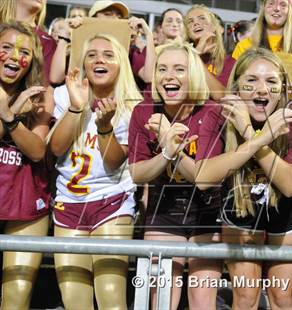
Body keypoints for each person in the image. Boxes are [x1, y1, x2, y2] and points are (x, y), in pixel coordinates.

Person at [195, 47, 292, 309]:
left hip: (287, 210)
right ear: (236, 87)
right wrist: (261, 136)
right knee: (246, 297)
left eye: (271, 81)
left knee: (281, 296)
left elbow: (291, 185)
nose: (262, 89)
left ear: (282, 90)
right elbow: (203, 178)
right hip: (241, 205)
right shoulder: (218, 113)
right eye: (252, 81)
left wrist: (249, 132)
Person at [128, 41, 223, 310]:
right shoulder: (143, 111)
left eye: (179, 69)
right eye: (162, 69)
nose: (169, 76)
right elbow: (137, 173)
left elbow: (203, 179)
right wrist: (166, 152)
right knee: (162, 301)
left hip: (207, 211)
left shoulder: (211, 112)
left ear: (193, 75)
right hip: (164, 210)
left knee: (203, 300)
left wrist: (170, 144)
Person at [48, 33, 140, 309]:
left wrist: (104, 126)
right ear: (84, 64)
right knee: (75, 301)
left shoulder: (132, 105)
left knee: (112, 298)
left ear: (121, 64)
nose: (99, 59)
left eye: (109, 54)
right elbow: (56, 148)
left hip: (112, 202)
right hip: (68, 205)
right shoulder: (65, 93)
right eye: (92, 54)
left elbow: (113, 162)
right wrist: (77, 107)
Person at [0, 21, 54, 310]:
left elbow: (36, 150)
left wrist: (11, 118)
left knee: (16, 301)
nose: (13, 57)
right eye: (6, 47)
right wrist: (10, 111)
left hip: (25, 203)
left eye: (23, 51)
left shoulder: (40, 94)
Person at [232, 0, 292, 100]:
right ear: (263, 8)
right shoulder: (244, 46)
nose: (277, 8)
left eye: (283, 5)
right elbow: (233, 86)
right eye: (271, 3)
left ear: (289, 10)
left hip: (290, 109)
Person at [185, 4, 236, 100]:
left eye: (202, 18)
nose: (196, 23)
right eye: (190, 21)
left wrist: (196, 57)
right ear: (187, 31)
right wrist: (196, 53)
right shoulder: (183, 56)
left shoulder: (230, 62)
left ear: (213, 26)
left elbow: (220, 96)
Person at [0, 0, 56, 85]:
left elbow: (42, 89)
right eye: (6, 47)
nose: (15, 57)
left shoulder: (48, 42)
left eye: (25, 52)